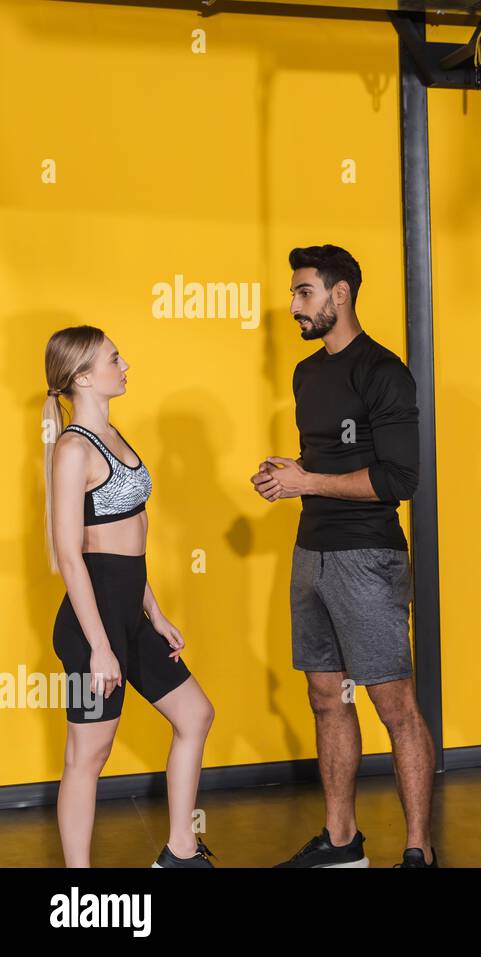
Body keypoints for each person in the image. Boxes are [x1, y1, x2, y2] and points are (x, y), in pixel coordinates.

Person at [251, 244, 436, 868]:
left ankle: (418, 849)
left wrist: (307, 482)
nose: (294, 304)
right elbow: (322, 464)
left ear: (340, 294)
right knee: (327, 697)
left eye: (304, 291)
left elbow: (398, 481)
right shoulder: (307, 374)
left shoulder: (383, 372)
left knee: (395, 707)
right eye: (295, 291)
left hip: (368, 559)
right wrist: (288, 474)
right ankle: (341, 842)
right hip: (313, 553)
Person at [44, 325, 216, 868]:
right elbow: (73, 556)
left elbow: (128, 544)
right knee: (87, 757)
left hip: (130, 616)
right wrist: (99, 647)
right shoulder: (73, 450)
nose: (126, 365)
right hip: (90, 627)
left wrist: (155, 613)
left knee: (196, 715)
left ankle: (180, 849)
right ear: (84, 377)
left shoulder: (114, 437)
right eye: (115, 358)